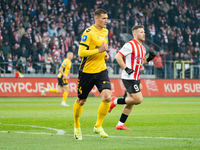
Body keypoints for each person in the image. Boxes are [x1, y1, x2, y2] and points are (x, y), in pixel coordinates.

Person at [73, 9, 112, 140]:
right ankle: (77, 126)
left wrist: (104, 54)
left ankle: (98, 126)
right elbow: (81, 53)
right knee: (81, 100)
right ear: (96, 19)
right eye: (104, 18)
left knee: (107, 97)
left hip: (101, 70)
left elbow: (103, 48)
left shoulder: (105, 31)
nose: (106, 20)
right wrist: (98, 50)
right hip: (87, 72)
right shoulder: (88, 33)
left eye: (107, 18)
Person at [109, 25, 156, 130]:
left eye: (144, 32)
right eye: (141, 32)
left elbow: (141, 62)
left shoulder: (143, 48)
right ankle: (114, 101)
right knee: (138, 99)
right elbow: (118, 56)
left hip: (136, 77)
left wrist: (149, 59)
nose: (144, 34)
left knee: (131, 101)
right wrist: (126, 68)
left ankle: (120, 124)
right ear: (135, 34)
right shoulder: (130, 45)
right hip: (129, 77)